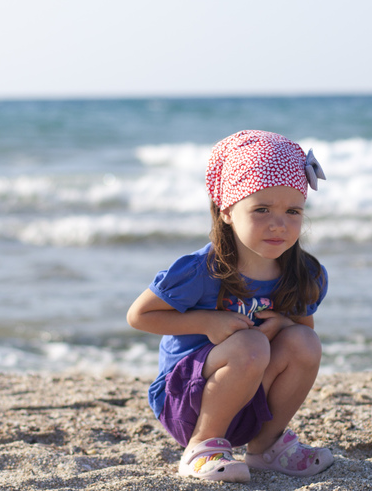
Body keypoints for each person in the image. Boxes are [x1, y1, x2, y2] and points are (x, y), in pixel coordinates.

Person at [127, 130, 332, 483]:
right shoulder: (200, 269)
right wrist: (207, 322)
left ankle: (266, 448)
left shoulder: (303, 273)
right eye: (261, 209)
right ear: (226, 211)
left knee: (304, 342)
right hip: (187, 401)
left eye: (293, 211)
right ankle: (201, 447)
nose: (279, 224)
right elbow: (139, 316)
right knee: (250, 345)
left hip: (251, 402)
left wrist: (283, 326)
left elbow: (303, 334)